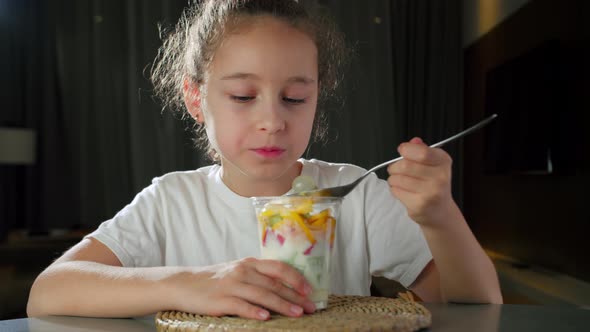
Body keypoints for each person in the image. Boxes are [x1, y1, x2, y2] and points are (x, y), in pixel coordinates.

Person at [27, 0, 502, 320]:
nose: (272, 120)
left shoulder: (353, 192)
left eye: (295, 98)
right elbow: (48, 292)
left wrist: (440, 216)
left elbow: (475, 302)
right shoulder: (172, 201)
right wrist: (190, 284)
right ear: (195, 98)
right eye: (242, 95)